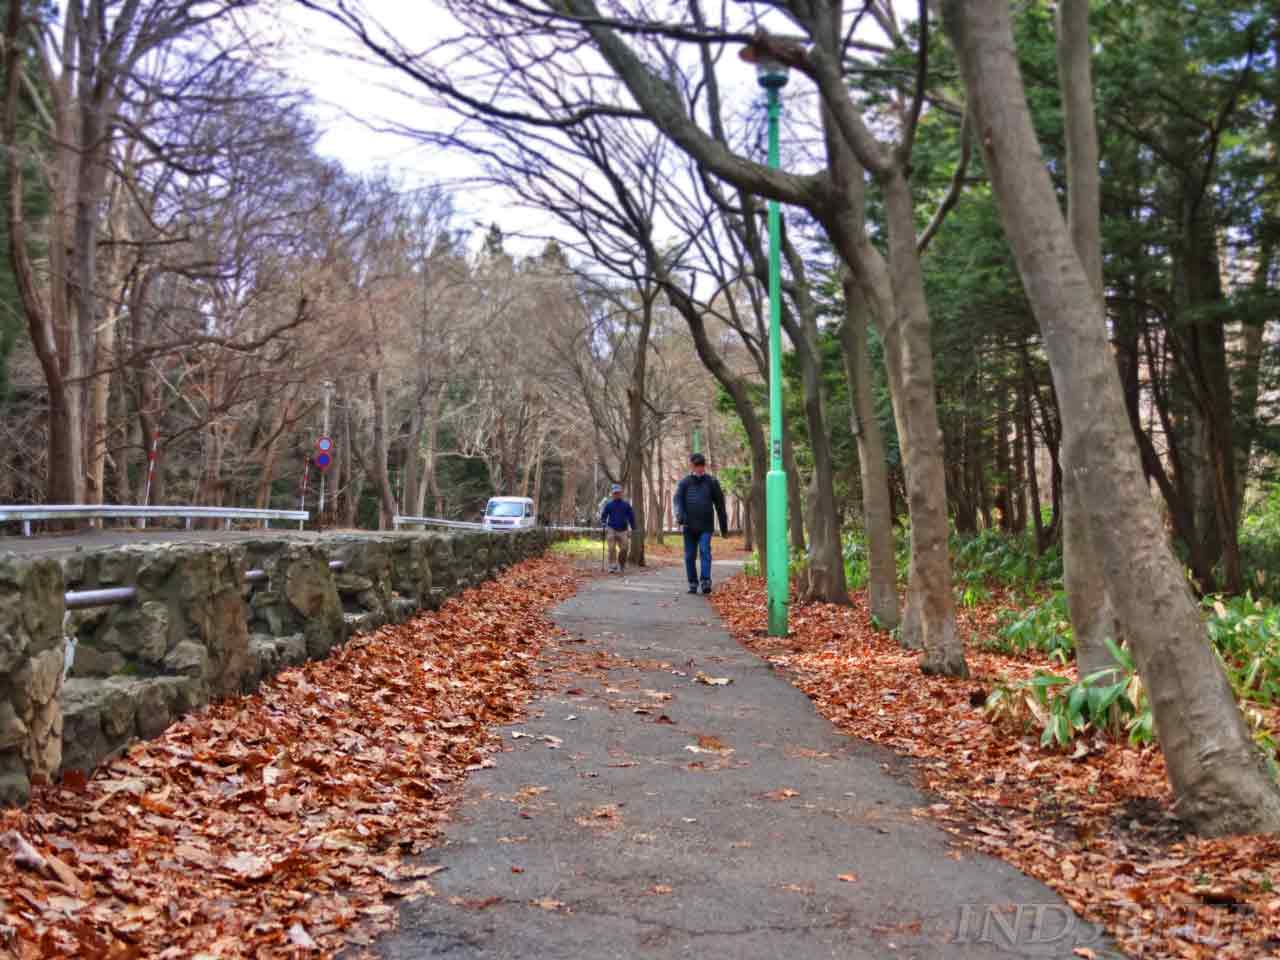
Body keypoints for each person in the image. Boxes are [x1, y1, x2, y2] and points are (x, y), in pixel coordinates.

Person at [673, 452, 728, 594]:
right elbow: (677, 501)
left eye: (701, 466)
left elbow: (720, 505)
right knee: (690, 555)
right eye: (697, 466)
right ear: (691, 466)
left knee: (705, 551)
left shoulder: (712, 482)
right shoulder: (684, 483)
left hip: (706, 525)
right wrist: (680, 516)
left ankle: (705, 582)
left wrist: (724, 528)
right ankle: (692, 582)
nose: (699, 469)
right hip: (689, 526)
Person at [600, 483, 635, 573]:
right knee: (611, 547)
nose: (616, 494)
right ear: (612, 494)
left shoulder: (626, 505)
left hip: (623, 529)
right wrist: (603, 522)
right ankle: (612, 565)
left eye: (618, 493)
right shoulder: (609, 505)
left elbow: (631, 516)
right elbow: (604, 515)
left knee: (625, 548)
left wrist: (633, 526)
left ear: (621, 493)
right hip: (611, 528)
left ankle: (621, 564)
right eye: (615, 493)